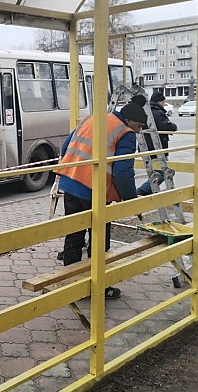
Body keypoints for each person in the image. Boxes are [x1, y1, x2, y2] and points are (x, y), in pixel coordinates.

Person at [56, 102, 148, 299]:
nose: (138, 131)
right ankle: (99, 287)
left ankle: (71, 285)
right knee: (99, 240)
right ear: (129, 120)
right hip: (94, 192)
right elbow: (123, 172)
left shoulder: (94, 117)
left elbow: (65, 146)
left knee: (73, 235)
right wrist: (132, 202)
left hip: (70, 182)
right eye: (139, 126)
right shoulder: (125, 133)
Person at [137, 92, 178, 196]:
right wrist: (173, 126)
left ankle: (149, 190)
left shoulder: (146, 111)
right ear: (159, 102)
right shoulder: (157, 112)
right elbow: (166, 126)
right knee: (165, 171)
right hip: (156, 147)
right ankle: (145, 190)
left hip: (145, 146)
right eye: (164, 102)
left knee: (156, 171)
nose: (164, 104)